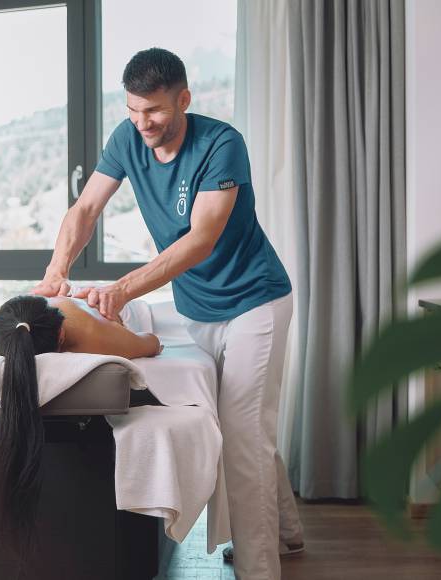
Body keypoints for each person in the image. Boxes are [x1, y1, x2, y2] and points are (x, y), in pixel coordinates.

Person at [32, 48, 304, 580]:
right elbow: (85, 209)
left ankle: (259, 570)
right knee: (250, 427)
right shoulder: (127, 138)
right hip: (195, 306)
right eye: (133, 110)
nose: (142, 122)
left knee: (243, 434)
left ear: (183, 98)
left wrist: (126, 288)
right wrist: (57, 269)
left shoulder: (222, 144)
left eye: (153, 110)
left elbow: (202, 239)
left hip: (255, 304)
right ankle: (288, 531)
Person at [0, 294, 161, 556]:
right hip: (65, 309)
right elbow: (151, 343)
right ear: (61, 336)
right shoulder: (88, 332)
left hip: (81, 304)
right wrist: (118, 330)